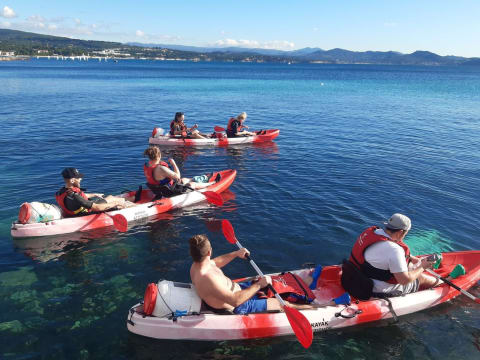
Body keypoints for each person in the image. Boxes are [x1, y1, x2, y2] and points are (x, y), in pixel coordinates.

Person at [189, 234, 314, 314]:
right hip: (240, 305)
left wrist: (236, 254)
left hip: (239, 290)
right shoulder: (208, 279)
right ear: (209, 252)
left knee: (270, 284)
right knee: (281, 304)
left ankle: (301, 290)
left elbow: (215, 263)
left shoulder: (197, 266)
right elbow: (235, 301)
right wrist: (259, 285)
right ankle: (318, 308)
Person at [348, 213, 438, 297]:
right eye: (406, 233)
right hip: (371, 288)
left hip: (354, 276)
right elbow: (404, 280)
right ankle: (441, 284)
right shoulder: (395, 250)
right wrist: (423, 267)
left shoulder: (372, 233)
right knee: (421, 278)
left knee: (410, 266)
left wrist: (413, 258)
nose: (405, 236)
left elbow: (382, 252)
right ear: (400, 232)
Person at [55, 167, 132, 216]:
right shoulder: (75, 196)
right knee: (120, 202)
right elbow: (97, 208)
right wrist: (116, 204)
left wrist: (94, 194)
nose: (80, 179)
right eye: (78, 178)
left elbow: (78, 196)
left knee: (111, 197)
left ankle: (130, 200)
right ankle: (137, 206)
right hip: (87, 213)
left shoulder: (61, 192)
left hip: (80, 210)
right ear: (72, 180)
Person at [143, 146, 219, 195]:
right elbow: (178, 177)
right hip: (170, 192)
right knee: (192, 184)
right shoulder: (160, 168)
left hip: (159, 190)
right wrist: (174, 163)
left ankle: (204, 178)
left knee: (184, 180)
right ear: (159, 156)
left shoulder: (147, 165)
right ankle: (213, 183)